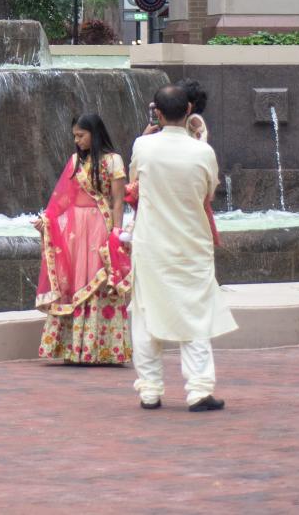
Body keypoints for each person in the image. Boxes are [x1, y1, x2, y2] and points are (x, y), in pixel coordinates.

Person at [128, 82, 237, 412]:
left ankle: (149, 391)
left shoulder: (143, 146)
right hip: (191, 245)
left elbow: (134, 182)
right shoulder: (203, 151)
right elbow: (209, 193)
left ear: (158, 114)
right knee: (195, 314)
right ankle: (199, 391)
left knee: (145, 316)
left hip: (151, 246)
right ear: (189, 110)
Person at [33, 112, 131, 365]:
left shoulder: (113, 161)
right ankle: (72, 348)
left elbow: (118, 201)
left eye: (81, 135)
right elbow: (64, 198)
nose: (77, 141)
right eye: (75, 136)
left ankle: (101, 349)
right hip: (75, 229)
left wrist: (116, 233)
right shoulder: (76, 160)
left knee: (97, 279)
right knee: (75, 280)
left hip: (99, 224)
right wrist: (46, 220)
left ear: (94, 134)